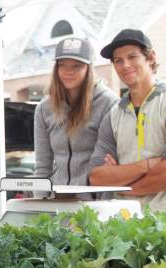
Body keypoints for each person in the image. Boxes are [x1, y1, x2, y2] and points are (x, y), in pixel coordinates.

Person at [89, 29, 166, 219]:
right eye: (118, 60)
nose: (125, 65)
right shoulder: (113, 116)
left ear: (151, 57)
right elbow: (97, 177)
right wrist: (148, 165)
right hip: (126, 222)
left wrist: (122, 184)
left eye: (132, 56)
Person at [34, 36, 118, 188]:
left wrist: (102, 202)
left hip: (95, 202)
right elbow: (42, 166)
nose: (68, 72)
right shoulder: (44, 108)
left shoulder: (108, 103)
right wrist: (42, 201)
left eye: (76, 66)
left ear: (89, 68)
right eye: (62, 65)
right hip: (58, 201)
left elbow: (108, 162)